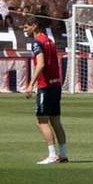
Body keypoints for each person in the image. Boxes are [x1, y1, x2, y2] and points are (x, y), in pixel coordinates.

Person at [26, 18, 68, 163]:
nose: (25, 29)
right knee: (55, 120)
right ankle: (63, 154)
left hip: (46, 86)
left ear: (34, 26)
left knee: (42, 121)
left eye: (27, 26)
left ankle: (52, 155)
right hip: (56, 84)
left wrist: (31, 84)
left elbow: (41, 64)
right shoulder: (49, 40)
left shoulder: (37, 42)